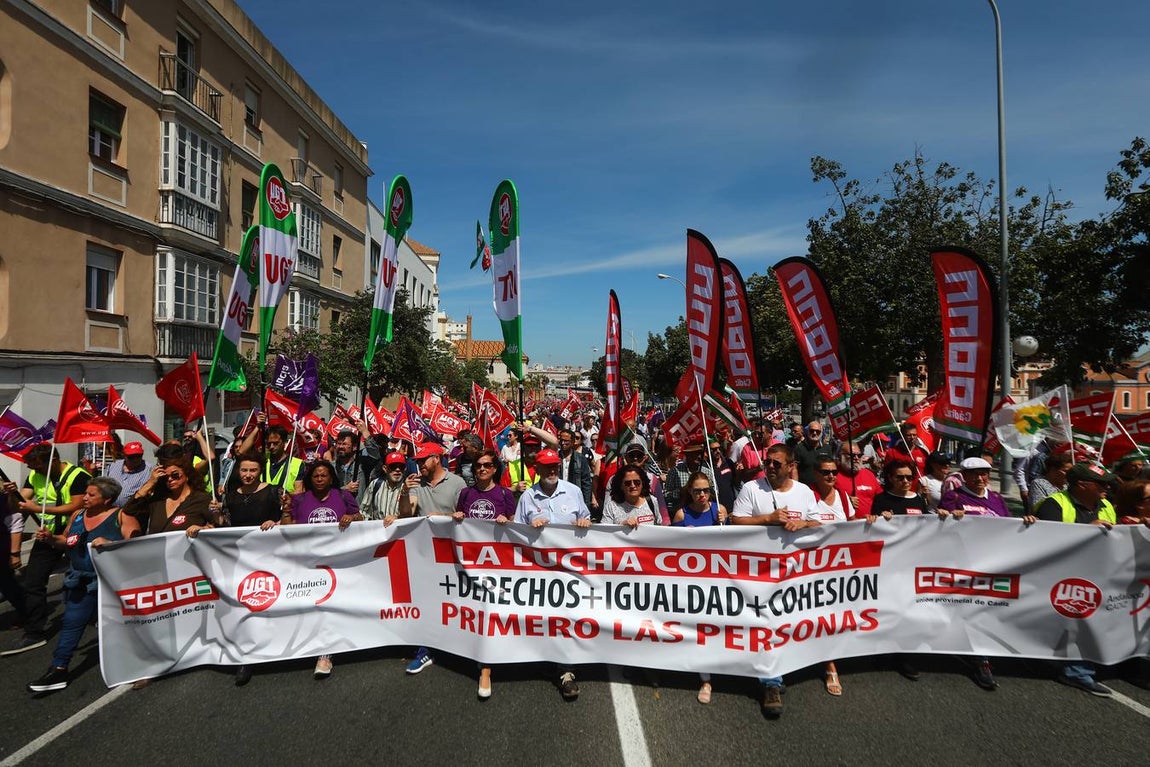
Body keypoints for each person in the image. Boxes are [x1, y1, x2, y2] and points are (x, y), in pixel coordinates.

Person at [26, 477, 141, 693]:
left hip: (111, 583)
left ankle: (142, 662)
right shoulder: (78, 515)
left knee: (126, 625)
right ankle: (59, 668)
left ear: (107, 500)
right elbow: (66, 540)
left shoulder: (122, 516)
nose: (85, 498)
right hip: (80, 581)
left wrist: (111, 544)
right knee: (72, 622)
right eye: (86, 493)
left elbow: (136, 546)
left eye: (91, 494)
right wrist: (50, 538)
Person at [731, 443, 816, 717]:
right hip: (759, 572)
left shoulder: (804, 492)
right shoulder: (751, 488)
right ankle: (771, 682)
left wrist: (804, 524)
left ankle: (783, 666)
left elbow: (819, 525)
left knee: (787, 622)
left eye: (776, 463)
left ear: (791, 466)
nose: (769, 467)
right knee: (766, 622)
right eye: (767, 462)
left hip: (795, 573)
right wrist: (767, 518)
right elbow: (736, 521)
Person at [1027, 462, 1117, 697]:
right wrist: (1087, 529)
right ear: (1082, 485)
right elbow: (1048, 542)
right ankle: (1075, 671)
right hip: (1062, 577)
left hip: (1098, 574)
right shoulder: (1054, 504)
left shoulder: (1107, 505)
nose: (1107, 487)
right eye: (1101, 484)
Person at [513, 447, 591, 700]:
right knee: (548, 617)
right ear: (537, 469)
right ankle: (550, 658)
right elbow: (516, 533)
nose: (552, 470)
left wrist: (584, 523)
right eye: (547, 467)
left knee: (568, 616)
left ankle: (566, 669)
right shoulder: (527, 497)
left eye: (555, 466)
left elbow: (586, 518)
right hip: (540, 571)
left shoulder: (573, 491)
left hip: (571, 570)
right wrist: (529, 527)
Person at [1, 444, 90, 656]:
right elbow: (16, 507)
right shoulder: (34, 475)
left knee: (85, 577)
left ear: (53, 461)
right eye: (31, 467)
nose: (35, 470)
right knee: (33, 581)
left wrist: (37, 508)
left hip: (76, 532)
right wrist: (12, 495)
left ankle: (94, 613)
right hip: (46, 535)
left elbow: (77, 505)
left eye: (38, 466)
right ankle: (34, 631)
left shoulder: (78, 475)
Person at [936, 456, 1012, 691]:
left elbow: (1010, 526)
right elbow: (943, 527)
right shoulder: (954, 496)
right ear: (965, 476)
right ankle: (981, 661)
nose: (980, 478)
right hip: (966, 565)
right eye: (975, 474)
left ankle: (986, 652)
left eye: (984, 473)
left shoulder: (997, 498)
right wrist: (950, 517)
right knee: (973, 610)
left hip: (995, 564)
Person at [282, 460, 361, 679]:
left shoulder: (344, 496)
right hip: (309, 563)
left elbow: (361, 519)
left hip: (339, 562)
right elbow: (287, 528)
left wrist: (352, 517)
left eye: (323, 475)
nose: (319, 479)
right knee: (315, 606)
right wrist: (286, 510)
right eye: (315, 476)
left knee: (331, 606)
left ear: (331, 478)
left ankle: (325, 654)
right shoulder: (299, 499)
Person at [452, 448, 516, 698]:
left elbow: (516, 526)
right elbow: (456, 523)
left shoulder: (505, 493)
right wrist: (456, 517)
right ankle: (480, 656)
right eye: (478, 465)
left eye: (487, 465)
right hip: (470, 563)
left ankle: (486, 667)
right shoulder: (466, 494)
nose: (481, 469)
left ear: (495, 468)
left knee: (491, 611)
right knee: (476, 611)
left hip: (497, 564)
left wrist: (507, 522)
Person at [400, 442, 465, 675]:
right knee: (427, 601)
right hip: (426, 553)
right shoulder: (416, 483)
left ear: (437, 458)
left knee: (453, 600)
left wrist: (443, 516)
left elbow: (464, 517)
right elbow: (407, 513)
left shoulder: (457, 483)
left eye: (423, 460)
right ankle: (425, 649)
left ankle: (458, 644)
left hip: (451, 552)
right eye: (417, 461)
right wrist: (404, 492)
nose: (419, 465)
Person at [793, 456, 851, 696]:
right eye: (826, 472)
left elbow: (853, 525)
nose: (831, 476)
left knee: (837, 615)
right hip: (812, 566)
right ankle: (830, 666)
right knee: (819, 614)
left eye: (834, 472)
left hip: (841, 567)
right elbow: (800, 523)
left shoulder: (844, 497)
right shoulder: (808, 495)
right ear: (816, 473)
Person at [123, 456, 216, 536]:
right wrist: (151, 482)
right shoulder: (157, 500)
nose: (170, 479)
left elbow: (218, 525)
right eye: (166, 477)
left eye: (175, 475)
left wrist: (203, 529)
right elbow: (129, 509)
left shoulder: (201, 499)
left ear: (187, 475)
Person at [331, 422, 381, 504]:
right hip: (339, 508)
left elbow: (375, 455)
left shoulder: (363, 464)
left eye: (344, 444)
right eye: (339, 444)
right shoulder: (331, 467)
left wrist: (365, 432)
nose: (340, 447)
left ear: (354, 447)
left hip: (358, 509)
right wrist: (344, 489)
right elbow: (326, 492)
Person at [361, 451, 409, 524]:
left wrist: (398, 518)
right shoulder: (375, 484)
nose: (398, 470)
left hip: (400, 529)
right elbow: (364, 511)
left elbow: (411, 515)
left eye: (401, 467)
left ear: (405, 469)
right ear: (385, 468)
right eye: (393, 466)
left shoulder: (408, 488)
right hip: (378, 529)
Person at [835, 441, 879, 519]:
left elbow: (880, 498)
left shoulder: (869, 474)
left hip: (871, 523)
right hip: (847, 524)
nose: (856, 458)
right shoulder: (833, 476)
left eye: (859, 455)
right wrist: (844, 501)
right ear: (840, 456)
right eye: (852, 455)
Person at [103, 441, 154, 507]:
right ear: (124, 455)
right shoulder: (113, 466)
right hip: (110, 508)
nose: (135, 459)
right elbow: (103, 484)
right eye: (131, 457)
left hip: (133, 509)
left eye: (138, 456)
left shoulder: (149, 469)